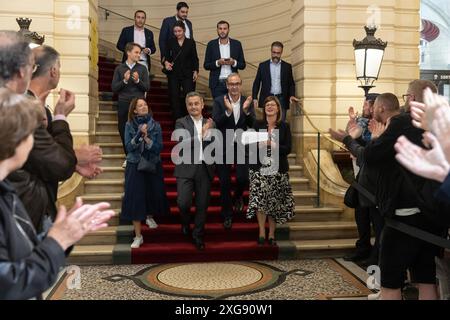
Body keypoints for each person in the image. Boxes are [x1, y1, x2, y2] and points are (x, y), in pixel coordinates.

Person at [0, 88, 115, 300]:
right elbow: (10, 284)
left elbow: (20, 254)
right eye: (37, 131)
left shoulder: (7, 191)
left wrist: (63, 234)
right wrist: (57, 241)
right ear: (17, 140)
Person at [330, 92, 444, 300]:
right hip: (428, 217)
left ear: (381, 108)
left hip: (403, 217)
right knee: (426, 279)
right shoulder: (422, 126)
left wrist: (347, 139)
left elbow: (369, 157)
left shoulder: (400, 123)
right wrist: (375, 140)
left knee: (390, 284)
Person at [0, 31, 78, 231]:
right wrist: (61, 117)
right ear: (21, 72)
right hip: (20, 215)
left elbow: (43, 156)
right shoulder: (17, 111)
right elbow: (59, 165)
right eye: (30, 67)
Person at [342, 93, 384, 268]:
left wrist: (356, 140)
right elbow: (355, 140)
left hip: (374, 182)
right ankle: (363, 247)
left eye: (366, 104)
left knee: (376, 220)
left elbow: (369, 152)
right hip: (361, 177)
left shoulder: (381, 126)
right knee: (361, 216)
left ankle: (376, 255)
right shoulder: (362, 122)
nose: (364, 107)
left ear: (374, 106)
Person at [121, 98, 169, 249]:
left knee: (152, 193)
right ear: (134, 110)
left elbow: (159, 147)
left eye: (145, 104)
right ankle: (138, 236)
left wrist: (147, 138)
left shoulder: (156, 125)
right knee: (135, 198)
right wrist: (138, 135)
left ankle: (149, 216)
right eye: (140, 105)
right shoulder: (129, 125)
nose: (144, 107)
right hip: (134, 165)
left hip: (152, 163)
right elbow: (129, 147)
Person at [246, 96, 295, 244]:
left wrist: (274, 146)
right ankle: (262, 232)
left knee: (273, 202)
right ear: (264, 108)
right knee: (260, 201)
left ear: (278, 108)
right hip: (259, 168)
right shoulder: (258, 124)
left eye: (273, 105)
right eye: (267, 105)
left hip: (277, 170)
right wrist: (258, 145)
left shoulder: (284, 126)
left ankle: (272, 234)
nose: (270, 107)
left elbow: (288, 148)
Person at [212, 73, 255, 229]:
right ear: (227, 85)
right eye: (231, 84)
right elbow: (216, 121)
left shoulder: (247, 102)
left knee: (243, 178)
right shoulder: (219, 101)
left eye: (237, 83)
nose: (234, 86)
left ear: (241, 84)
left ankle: (238, 197)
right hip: (224, 145)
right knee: (224, 183)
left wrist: (246, 111)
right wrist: (228, 112)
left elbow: (253, 123)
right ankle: (227, 215)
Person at [173, 92, 215, 250]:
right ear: (186, 106)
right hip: (185, 169)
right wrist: (200, 135)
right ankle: (185, 222)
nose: (193, 107)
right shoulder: (180, 122)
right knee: (183, 203)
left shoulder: (211, 123)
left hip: (204, 169)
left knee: (202, 205)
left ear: (202, 104)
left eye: (196, 103)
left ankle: (197, 235)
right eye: (190, 104)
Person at [112, 42, 150, 164]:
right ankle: (129, 155)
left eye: (139, 53)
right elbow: (114, 88)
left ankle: (138, 155)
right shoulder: (119, 68)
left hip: (138, 103)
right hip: (123, 102)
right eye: (137, 52)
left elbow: (147, 87)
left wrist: (138, 80)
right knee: (123, 129)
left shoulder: (142, 68)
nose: (139, 55)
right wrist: (125, 80)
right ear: (128, 53)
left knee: (138, 129)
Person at [161, 21, 199, 121]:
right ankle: (177, 121)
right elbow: (165, 57)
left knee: (189, 96)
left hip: (187, 73)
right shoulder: (170, 42)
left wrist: (196, 71)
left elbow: (194, 58)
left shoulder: (190, 42)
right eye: (175, 31)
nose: (177, 33)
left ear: (184, 30)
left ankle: (190, 120)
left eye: (179, 31)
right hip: (173, 73)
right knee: (174, 97)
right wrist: (166, 63)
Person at [252, 42, 298, 122]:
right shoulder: (263, 66)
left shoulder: (287, 67)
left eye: (278, 53)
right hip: (267, 98)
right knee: (266, 123)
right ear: (271, 51)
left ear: (281, 52)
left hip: (282, 100)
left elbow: (291, 84)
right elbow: (256, 83)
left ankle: (278, 135)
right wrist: (254, 97)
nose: (276, 55)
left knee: (280, 124)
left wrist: (292, 95)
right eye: (274, 52)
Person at [204, 21, 246, 98]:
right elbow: (206, 65)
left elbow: (243, 65)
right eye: (220, 28)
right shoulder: (211, 44)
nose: (222, 31)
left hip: (233, 83)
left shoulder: (237, 44)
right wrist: (218, 63)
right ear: (217, 30)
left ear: (228, 30)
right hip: (217, 84)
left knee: (233, 108)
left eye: (224, 28)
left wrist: (233, 62)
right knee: (219, 108)